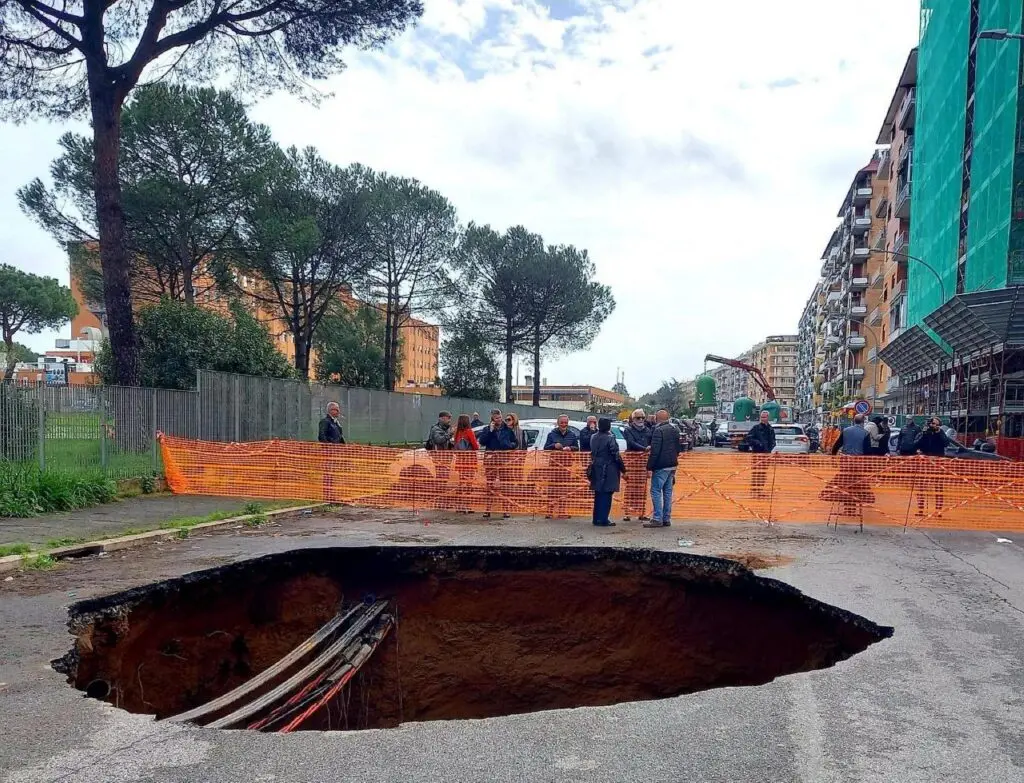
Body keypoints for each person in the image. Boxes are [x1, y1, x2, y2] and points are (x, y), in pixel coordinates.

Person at [477, 409, 516, 519]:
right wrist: (490, 431)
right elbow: (482, 442)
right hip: (491, 460)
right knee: (490, 484)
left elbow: (515, 442)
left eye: (499, 417)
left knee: (505, 485)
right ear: (492, 419)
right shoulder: (487, 429)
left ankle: (506, 509)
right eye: (496, 418)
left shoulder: (508, 429)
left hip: (504, 459)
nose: (499, 420)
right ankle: (488, 509)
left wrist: (509, 445)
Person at [645, 410, 680, 528]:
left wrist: (649, 467)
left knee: (655, 491)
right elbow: (678, 448)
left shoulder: (658, 431)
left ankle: (657, 518)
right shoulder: (675, 430)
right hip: (672, 465)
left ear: (656, 418)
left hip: (661, 466)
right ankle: (666, 518)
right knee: (668, 492)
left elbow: (655, 452)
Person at [588, 418, 625, 527]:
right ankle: (604, 519)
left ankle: (596, 518)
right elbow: (616, 455)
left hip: (596, 467)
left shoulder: (593, 437)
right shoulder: (610, 438)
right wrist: (623, 469)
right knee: (607, 494)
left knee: (598, 494)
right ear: (609, 427)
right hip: (609, 468)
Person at [543, 415, 579, 518]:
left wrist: (570, 448)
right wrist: (554, 446)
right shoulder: (551, 434)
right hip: (554, 465)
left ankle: (562, 511)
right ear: (558, 423)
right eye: (562, 422)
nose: (564, 424)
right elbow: (546, 448)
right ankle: (549, 510)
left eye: (565, 422)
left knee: (564, 488)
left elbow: (577, 448)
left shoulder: (572, 435)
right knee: (552, 489)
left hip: (566, 466)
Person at [914, 417, 949, 516]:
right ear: (929, 424)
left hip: (937, 465)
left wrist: (939, 432)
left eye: (938, 425)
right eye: (934, 424)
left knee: (938, 487)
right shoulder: (924, 433)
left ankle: (938, 511)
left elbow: (946, 443)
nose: (935, 426)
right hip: (925, 463)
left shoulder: (941, 433)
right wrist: (923, 436)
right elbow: (915, 444)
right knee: (921, 487)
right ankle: (920, 509)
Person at [622, 408, 653, 521]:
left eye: (642, 417)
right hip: (632, 462)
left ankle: (642, 513)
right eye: (638, 417)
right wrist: (644, 448)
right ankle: (627, 513)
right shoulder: (628, 430)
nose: (640, 420)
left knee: (642, 488)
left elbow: (651, 443)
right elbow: (631, 442)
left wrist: (648, 450)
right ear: (633, 419)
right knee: (630, 488)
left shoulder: (648, 430)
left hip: (644, 463)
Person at [744, 411, 776, 500]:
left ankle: (760, 490)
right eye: (762, 417)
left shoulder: (770, 429)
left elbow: (773, 440)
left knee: (763, 473)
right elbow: (748, 438)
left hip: (766, 455)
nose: (763, 419)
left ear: (768, 418)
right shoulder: (756, 428)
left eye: (765, 417)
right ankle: (754, 491)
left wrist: (770, 447)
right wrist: (758, 443)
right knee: (756, 473)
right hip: (757, 455)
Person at [451, 414, 480, 513]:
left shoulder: (457, 433)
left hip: (460, 461)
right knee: (468, 484)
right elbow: (476, 446)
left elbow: (455, 445)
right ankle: (467, 506)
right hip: (470, 461)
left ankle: (459, 505)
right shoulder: (469, 432)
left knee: (461, 483)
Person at [427, 411, 454, 485]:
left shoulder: (448, 428)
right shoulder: (435, 429)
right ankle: (439, 488)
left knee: (445, 474)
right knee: (440, 473)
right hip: (438, 455)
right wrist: (449, 435)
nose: (449, 420)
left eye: (450, 418)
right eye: (448, 418)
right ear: (441, 418)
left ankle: (442, 487)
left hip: (447, 455)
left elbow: (448, 440)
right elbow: (438, 440)